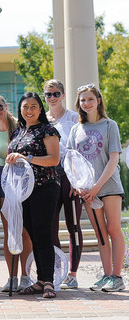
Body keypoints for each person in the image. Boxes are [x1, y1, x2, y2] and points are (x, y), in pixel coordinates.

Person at [67, 84, 125, 292]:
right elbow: (71, 161)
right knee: (100, 233)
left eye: (90, 99)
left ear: (98, 100)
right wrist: (79, 186)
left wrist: (97, 186)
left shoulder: (110, 125)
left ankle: (117, 277)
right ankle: (107, 275)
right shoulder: (76, 129)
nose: (86, 103)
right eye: (83, 100)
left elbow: (113, 159)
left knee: (113, 229)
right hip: (86, 191)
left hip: (108, 186)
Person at [6, 92, 60, 299]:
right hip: (22, 191)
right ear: (20, 109)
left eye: (33, 106)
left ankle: (48, 281)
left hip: (44, 188)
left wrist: (27, 157)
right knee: (33, 234)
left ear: (40, 109)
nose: (29, 110)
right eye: (25, 107)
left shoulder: (47, 129)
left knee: (43, 234)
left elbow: (54, 159)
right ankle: (39, 280)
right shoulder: (18, 131)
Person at [0, 94, 33, 293]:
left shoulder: (20, 127)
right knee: (9, 230)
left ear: (6, 105)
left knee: (24, 230)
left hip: (22, 179)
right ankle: (12, 277)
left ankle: (26, 276)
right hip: (2, 180)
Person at [43, 79, 82, 290]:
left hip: (70, 176)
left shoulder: (74, 119)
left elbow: (80, 152)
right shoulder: (43, 121)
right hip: (49, 177)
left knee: (73, 225)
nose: (52, 98)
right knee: (50, 228)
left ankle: (73, 273)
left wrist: (78, 179)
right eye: (48, 94)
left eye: (56, 94)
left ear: (63, 95)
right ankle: (57, 271)